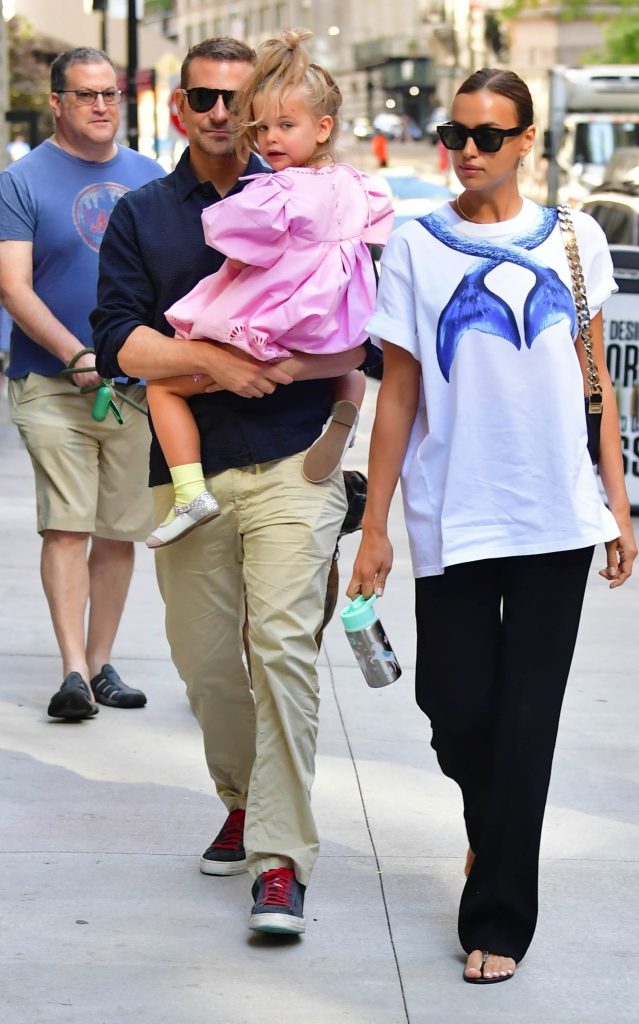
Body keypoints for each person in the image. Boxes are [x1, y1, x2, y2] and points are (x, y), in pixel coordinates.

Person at [347, 68, 638, 983]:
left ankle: (499, 917)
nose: (465, 151)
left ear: (525, 142)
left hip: (554, 513)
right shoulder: (414, 244)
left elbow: (597, 383)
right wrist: (376, 526)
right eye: (453, 133)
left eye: (485, 135)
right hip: (453, 510)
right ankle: (495, 824)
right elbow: (397, 395)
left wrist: (616, 504)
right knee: (453, 706)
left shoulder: (575, 239)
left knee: (526, 716)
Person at [91, 36, 374, 937]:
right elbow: (117, 338)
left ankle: (280, 859)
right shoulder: (144, 213)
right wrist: (214, 361)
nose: (224, 114)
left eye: (239, 100)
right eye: (206, 98)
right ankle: (245, 798)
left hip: (293, 463)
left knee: (282, 651)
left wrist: (299, 385)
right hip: (189, 477)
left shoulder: (310, 196)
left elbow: (360, 337)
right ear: (180, 107)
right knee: (207, 665)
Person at [144, 29, 392, 548]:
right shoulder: (356, 183)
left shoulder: (280, 189)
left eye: (284, 126)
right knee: (346, 366)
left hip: (278, 322)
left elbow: (234, 240)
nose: (269, 139)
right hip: (335, 319)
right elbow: (373, 237)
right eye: (261, 127)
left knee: (163, 387)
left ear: (322, 127)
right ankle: (345, 412)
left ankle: (189, 492)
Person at [0, 47, 164, 721]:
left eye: (109, 94)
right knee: (67, 525)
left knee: (118, 531)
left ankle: (101, 665)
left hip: (131, 387)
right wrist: (73, 353)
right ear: (57, 102)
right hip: (50, 382)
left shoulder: (149, 177)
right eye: (85, 94)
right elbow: (13, 286)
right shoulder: (21, 181)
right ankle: (72, 670)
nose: (101, 106)